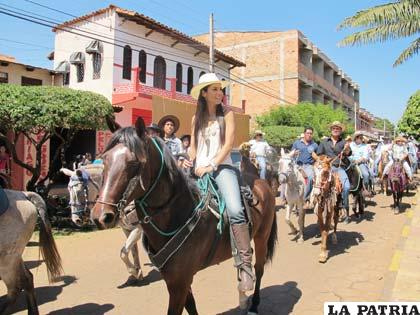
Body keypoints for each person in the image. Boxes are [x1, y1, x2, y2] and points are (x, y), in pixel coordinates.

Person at [182, 72, 255, 292]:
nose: (219, 93)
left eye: (220, 89)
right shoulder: (196, 119)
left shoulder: (228, 114)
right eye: (214, 89)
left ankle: (245, 267)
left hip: (222, 168)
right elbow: (194, 147)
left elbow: (228, 145)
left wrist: (211, 166)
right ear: (203, 94)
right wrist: (188, 160)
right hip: (198, 169)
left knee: (234, 209)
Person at [316, 121, 352, 223]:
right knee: (316, 186)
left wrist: (347, 149)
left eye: (338, 129)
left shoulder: (344, 142)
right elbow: (319, 154)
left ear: (340, 131)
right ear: (331, 130)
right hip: (326, 168)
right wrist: (325, 159)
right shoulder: (324, 142)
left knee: (346, 187)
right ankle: (314, 205)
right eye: (334, 128)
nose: (335, 130)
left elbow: (349, 154)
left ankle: (345, 209)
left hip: (339, 168)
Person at [292, 126, 318, 209]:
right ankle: (287, 198)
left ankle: (305, 199)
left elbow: (317, 157)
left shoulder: (315, 145)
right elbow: (291, 154)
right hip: (297, 165)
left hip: (308, 165)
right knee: (288, 178)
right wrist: (294, 153)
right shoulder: (297, 143)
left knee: (310, 178)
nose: (309, 135)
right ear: (304, 134)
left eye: (311, 133)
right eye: (308, 133)